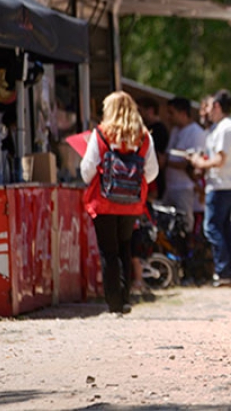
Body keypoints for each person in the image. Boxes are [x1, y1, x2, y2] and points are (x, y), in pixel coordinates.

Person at [80, 91, 159, 315]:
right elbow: (152, 172)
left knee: (109, 251)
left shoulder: (101, 134)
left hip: (104, 202)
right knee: (125, 245)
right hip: (132, 202)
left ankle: (114, 302)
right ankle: (125, 298)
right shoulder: (144, 136)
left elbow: (87, 170)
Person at [189, 89, 231, 287]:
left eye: (211, 106)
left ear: (218, 106)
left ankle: (223, 272)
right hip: (226, 184)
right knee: (224, 229)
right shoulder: (225, 127)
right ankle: (230, 272)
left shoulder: (225, 128)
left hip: (221, 185)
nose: (208, 111)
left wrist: (198, 163)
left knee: (212, 228)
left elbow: (220, 160)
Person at [162, 96, 207, 235]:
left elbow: (192, 163)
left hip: (184, 187)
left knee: (185, 223)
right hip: (170, 186)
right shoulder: (175, 131)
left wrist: (166, 162)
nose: (168, 117)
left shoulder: (196, 133)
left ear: (183, 113)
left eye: (172, 113)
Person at [136, 97, 169, 200]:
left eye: (140, 111)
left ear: (150, 110)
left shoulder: (159, 131)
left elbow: (159, 158)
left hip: (154, 181)